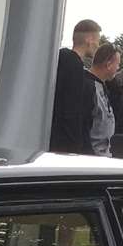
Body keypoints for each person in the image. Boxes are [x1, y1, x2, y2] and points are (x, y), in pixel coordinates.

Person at [49, 18, 101, 154]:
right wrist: (74, 145)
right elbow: (72, 109)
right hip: (66, 145)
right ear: (89, 39)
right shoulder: (74, 66)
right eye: (97, 40)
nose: (98, 45)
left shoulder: (60, 61)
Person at [88, 43, 123, 156]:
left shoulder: (103, 87)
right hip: (91, 156)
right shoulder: (89, 88)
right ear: (108, 65)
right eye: (118, 64)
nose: (118, 68)